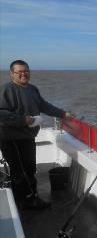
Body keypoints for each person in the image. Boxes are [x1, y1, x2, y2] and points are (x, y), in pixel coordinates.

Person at [0, 60, 72, 210]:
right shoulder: (6, 89)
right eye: (18, 71)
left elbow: (44, 105)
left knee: (29, 168)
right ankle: (30, 199)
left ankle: (20, 196)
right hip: (11, 137)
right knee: (21, 171)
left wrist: (63, 114)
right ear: (11, 74)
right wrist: (22, 120)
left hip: (28, 135)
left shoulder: (32, 89)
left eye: (25, 70)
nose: (23, 74)